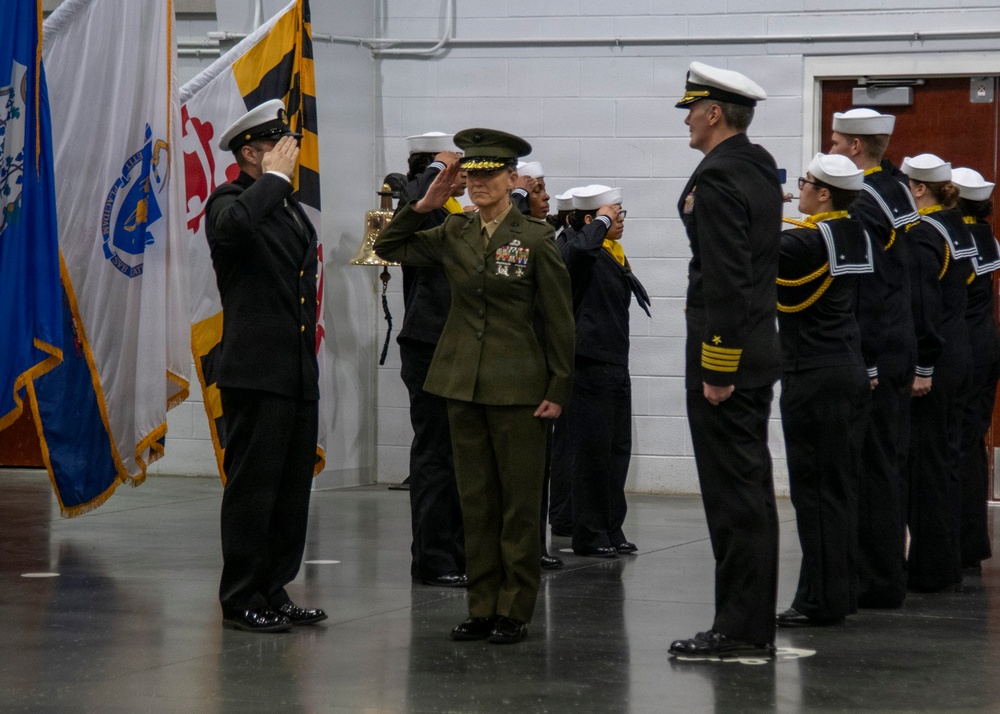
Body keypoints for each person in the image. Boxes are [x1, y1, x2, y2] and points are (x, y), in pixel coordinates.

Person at [374, 128, 575, 645]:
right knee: (476, 500)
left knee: (519, 503)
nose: (480, 183)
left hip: (519, 387)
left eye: (490, 175)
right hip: (460, 382)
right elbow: (387, 247)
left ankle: (515, 609)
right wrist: (423, 205)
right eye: (473, 174)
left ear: (512, 179)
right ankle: (482, 606)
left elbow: (558, 321)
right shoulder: (454, 233)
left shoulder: (535, 239)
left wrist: (559, 386)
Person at [667, 62, 783, 660]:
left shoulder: (717, 178)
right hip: (760, 349)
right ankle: (751, 622)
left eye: (691, 109)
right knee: (752, 492)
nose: (686, 119)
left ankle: (739, 629)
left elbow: (726, 280)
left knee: (735, 498)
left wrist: (717, 369)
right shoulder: (759, 167)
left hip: (729, 360)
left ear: (715, 113)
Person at [206, 99, 326, 633]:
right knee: (253, 489)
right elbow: (232, 231)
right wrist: (273, 178)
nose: (291, 156)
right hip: (255, 371)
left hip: (295, 371)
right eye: (279, 148)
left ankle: (274, 588)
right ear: (251, 152)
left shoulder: (287, 208)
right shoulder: (229, 201)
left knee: (289, 489)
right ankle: (240, 596)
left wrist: (278, 184)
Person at [774, 154, 872, 627]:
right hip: (848, 367)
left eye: (805, 183)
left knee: (813, 492)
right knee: (839, 489)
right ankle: (841, 591)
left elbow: (742, 249)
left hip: (812, 373)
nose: (801, 190)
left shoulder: (805, 243)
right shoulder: (853, 231)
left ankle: (819, 600)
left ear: (825, 192)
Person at [828, 108, 919, 609]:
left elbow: (869, 287)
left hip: (879, 346)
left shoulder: (862, 203)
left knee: (873, 467)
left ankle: (877, 579)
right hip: (900, 340)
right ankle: (886, 571)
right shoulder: (896, 188)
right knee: (889, 462)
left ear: (858, 149)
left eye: (838, 144)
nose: (833, 151)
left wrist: (866, 361)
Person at [559, 185, 650, 559]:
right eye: (615, 216)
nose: (621, 222)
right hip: (589, 361)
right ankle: (589, 531)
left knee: (616, 450)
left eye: (621, 215)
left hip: (614, 360)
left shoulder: (613, 253)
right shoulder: (577, 249)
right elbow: (578, 250)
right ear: (589, 219)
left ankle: (611, 526)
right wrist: (600, 220)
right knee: (591, 453)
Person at [395, 132, 469, 588]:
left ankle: (455, 551)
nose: (463, 175)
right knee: (436, 457)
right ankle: (434, 558)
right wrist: (434, 171)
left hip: (457, 344)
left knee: (458, 458)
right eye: (454, 166)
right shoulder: (419, 207)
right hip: (429, 346)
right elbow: (407, 204)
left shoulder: (455, 213)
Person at [901, 154, 976, 593]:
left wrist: (922, 366)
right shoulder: (956, 224)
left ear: (918, 189)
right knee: (943, 463)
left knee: (927, 466)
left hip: (939, 358)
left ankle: (930, 569)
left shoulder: (925, 232)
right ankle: (944, 562)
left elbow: (925, 305)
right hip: (960, 349)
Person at [951, 167, 1000, 572]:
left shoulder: (956, 239)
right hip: (986, 343)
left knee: (954, 447)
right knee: (971, 446)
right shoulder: (986, 236)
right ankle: (971, 543)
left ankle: (957, 543)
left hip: (963, 346)